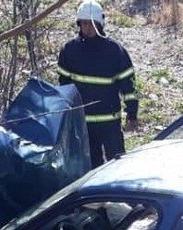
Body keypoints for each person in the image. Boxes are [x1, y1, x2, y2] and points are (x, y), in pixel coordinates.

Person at [58, 0, 139, 168]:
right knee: (91, 168)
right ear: (79, 24)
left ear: (100, 23)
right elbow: (64, 86)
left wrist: (132, 114)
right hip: (83, 124)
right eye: (84, 24)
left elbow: (128, 84)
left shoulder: (114, 50)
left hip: (110, 121)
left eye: (92, 24)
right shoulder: (69, 50)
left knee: (117, 166)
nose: (88, 28)